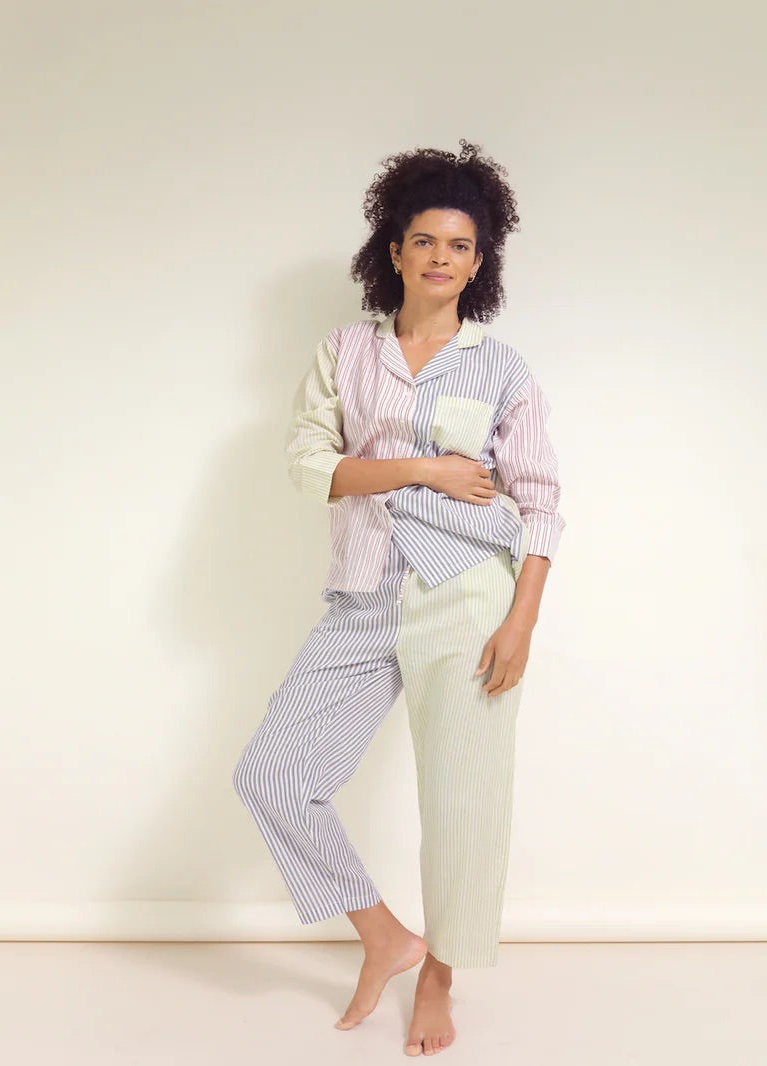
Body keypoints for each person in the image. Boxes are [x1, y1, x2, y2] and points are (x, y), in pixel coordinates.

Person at [233, 138, 566, 1056]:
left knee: (462, 802)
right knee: (272, 773)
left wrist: (522, 621)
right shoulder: (346, 354)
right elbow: (310, 466)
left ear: (480, 261)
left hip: (469, 597)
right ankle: (385, 936)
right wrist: (422, 468)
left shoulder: (503, 370)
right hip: (363, 594)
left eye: (460, 246)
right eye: (425, 240)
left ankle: (439, 980)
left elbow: (542, 503)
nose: (441, 258)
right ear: (394, 250)